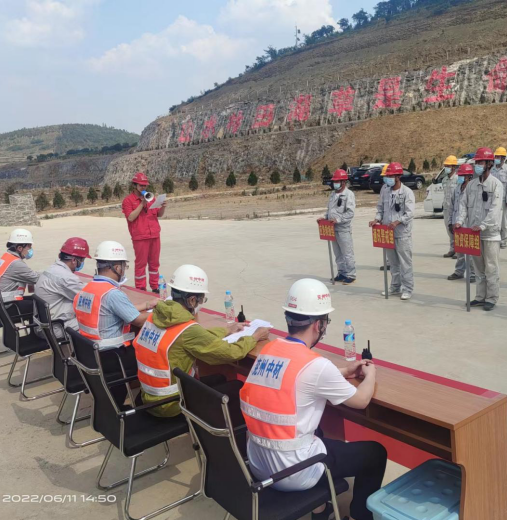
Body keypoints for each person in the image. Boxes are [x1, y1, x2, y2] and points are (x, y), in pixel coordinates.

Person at [240, 279, 386, 520]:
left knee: (318, 431)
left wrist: (343, 372)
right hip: (291, 472)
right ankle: (360, 516)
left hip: (258, 464)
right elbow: (361, 400)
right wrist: (370, 374)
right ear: (319, 325)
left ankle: (321, 509)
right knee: (375, 453)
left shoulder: (269, 350)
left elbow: (297, 377)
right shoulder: (317, 365)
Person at [133, 264, 270, 417]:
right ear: (192, 300)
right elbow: (231, 353)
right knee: (237, 387)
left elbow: (196, 336)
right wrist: (255, 336)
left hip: (149, 397)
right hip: (172, 404)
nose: (200, 303)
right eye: (201, 299)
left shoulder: (156, 317)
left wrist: (226, 330)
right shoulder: (187, 329)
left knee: (219, 378)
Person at [73, 241, 157, 395]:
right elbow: (138, 320)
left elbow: (114, 310)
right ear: (117, 268)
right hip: (112, 356)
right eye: (124, 267)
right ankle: (147, 400)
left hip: (89, 353)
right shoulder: (112, 293)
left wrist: (146, 304)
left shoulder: (87, 289)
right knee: (153, 356)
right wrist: (163, 312)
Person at [456, 148, 503, 311]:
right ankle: (480, 296)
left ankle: (491, 298)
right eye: (476, 162)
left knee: (491, 267)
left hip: (490, 234)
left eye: (481, 162)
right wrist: (459, 221)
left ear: (489, 164)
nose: (477, 165)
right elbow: (463, 204)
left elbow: (495, 209)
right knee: (478, 268)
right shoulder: (472, 185)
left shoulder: (496, 184)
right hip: (473, 233)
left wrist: (483, 225)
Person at [369, 162, 415, 301]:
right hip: (387, 233)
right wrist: (377, 219)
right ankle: (395, 287)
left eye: (390, 176)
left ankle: (407, 289)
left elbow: (410, 213)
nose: (387, 179)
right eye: (387, 176)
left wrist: (398, 221)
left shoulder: (407, 192)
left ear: (398, 176)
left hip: (402, 234)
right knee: (393, 263)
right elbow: (380, 208)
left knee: (405, 263)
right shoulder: (385, 190)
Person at [34, 237, 91, 338]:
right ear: (74, 260)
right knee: (96, 323)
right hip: (55, 328)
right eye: (82, 260)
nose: (82, 263)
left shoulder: (52, 269)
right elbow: (89, 296)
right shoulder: (67, 277)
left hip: (42, 325)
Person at [122, 172, 167, 293]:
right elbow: (131, 217)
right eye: (141, 185)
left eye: (145, 185)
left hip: (154, 235)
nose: (143, 187)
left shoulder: (151, 198)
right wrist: (142, 204)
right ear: (135, 185)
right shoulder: (128, 201)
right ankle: (141, 288)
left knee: (154, 263)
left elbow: (159, 214)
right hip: (140, 237)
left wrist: (163, 207)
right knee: (141, 264)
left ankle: (155, 286)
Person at [0, 228, 39, 316]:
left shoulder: (7, 257)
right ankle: (37, 326)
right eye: (29, 246)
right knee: (41, 306)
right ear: (20, 248)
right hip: (6, 307)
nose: (31, 249)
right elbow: (37, 278)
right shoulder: (16, 263)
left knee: (33, 300)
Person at [320, 169, 356, 285]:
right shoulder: (333, 194)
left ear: (343, 182)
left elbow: (350, 213)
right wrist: (324, 218)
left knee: (347, 253)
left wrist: (338, 220)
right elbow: (330, 210)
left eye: (337, 181)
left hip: (343, 228)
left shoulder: (349, 194)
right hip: (332, 228)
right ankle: (342, 273)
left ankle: (351, 274)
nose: (334, 183)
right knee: (338, 253)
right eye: (334, 181)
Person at [447, 163, 476, 282]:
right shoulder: (457, 189)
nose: (460, 177)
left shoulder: (473, 189)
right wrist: (450, 222)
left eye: (462, 175)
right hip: (457, 224)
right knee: (459, 251)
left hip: (468, 224)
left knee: (470, 252)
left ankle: (473, 273)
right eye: (459, 175)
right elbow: (451, 206)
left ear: (468, 176)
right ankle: (459, 271)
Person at [491, 147, 507, 249]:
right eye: (496, 156)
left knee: (504, 222)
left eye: (498, 157)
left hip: (503, 200)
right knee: (494, 221)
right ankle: (495, 238)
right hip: (493, 200)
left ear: (503, 158)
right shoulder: (491, 169)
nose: (496, 158)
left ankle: (503, 240)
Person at [441, 155, 459, 258]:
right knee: (449, 230)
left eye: (448, 166)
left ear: (453, 167)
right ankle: (452, 249)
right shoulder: (444, 180)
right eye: (445, 166)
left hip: (455, 209)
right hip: (446, 208)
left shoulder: (458, 179)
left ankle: (458, 250)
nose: (446, 168)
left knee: (456, 229)